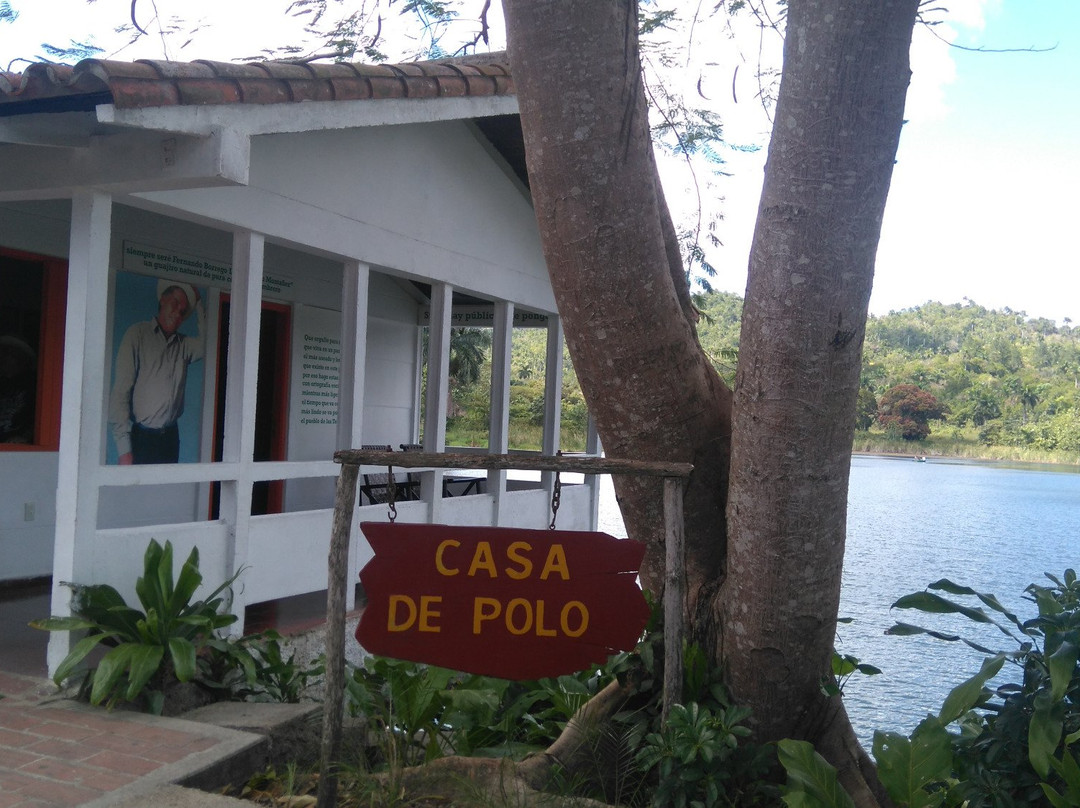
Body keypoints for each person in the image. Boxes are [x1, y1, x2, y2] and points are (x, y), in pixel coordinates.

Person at [109, 280, 204, 464]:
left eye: (183, 311)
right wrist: (123, 449)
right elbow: (121, 392)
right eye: (175, 303)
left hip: (170, 439)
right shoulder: (137, 334)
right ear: (162, 299)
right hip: (142, 440)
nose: (177, 313)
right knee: (137, 484)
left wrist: (198, 303)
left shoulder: (184, 345)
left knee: (168, 484)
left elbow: (209, 343)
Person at [0, 335, 37, 444]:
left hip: (17, 447)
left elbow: (45, 417)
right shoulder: (3, 383)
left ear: (22, 358)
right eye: (2, 353)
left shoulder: (34, 384)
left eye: (9, 354)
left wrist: (25, 437)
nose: (3, 358)